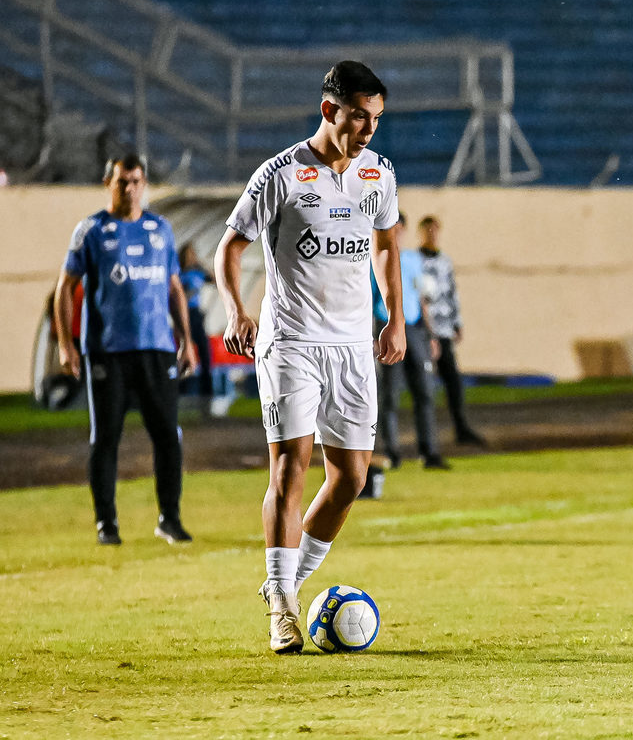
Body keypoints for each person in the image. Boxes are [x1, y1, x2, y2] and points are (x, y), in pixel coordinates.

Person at [214, 61, 406, 654]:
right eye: (358, 117)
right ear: (329, 111)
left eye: (376, 118)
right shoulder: (281, 175)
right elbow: (230, 248)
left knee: (351, 476)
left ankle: (285, 586)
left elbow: (386, 247)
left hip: (351, 347)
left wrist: (394, 318)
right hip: (291, 340)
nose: (369, 129)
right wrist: (237, 311)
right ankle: (283, 608)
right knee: (291, 463)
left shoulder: (379, 174)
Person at [53, 154, 197, 546]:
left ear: (144, 183)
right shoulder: (92, 231)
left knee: (168, 435)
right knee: (106, 439)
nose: (129, 188)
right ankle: (107, 524)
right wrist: (67, 344)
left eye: (135, 181)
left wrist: (186, 340)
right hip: (107, 352)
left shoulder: (160, 230)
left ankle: (170, 518)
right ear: (108, 184)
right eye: (121, 181)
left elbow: (173, 288)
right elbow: (66, 288)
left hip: (157, 349)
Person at [372, 213, 451, 471]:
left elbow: (421, 298)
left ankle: (429, 451)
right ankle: (392, 451)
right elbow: (369, 300)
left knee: (425, 392)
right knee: (390, 395)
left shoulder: (412, 259)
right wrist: (373, 335)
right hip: (387, 328)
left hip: (414, 329)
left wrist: (431, 336)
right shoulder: (375, 259)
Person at [417, 215, 486, 446]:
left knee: (453, 380)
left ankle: (461, 427)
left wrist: (458, 322)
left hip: (444, 329)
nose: (432, 234)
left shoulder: (445, 261)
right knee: (421, 383)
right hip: (423, 331)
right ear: (422, 232)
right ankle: (424, 437)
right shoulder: (415, 260)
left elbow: (452, 292)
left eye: (435, 230)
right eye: (428, 230)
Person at [177, 243, 214, 398]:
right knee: (185, 349)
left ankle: (207, 391)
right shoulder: (180, 273)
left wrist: (201, 264)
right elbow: (177, 295)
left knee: (204, 351)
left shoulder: (198, 273)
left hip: (197, 315)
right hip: (184, 315)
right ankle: (182, 388)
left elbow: (214, 279)